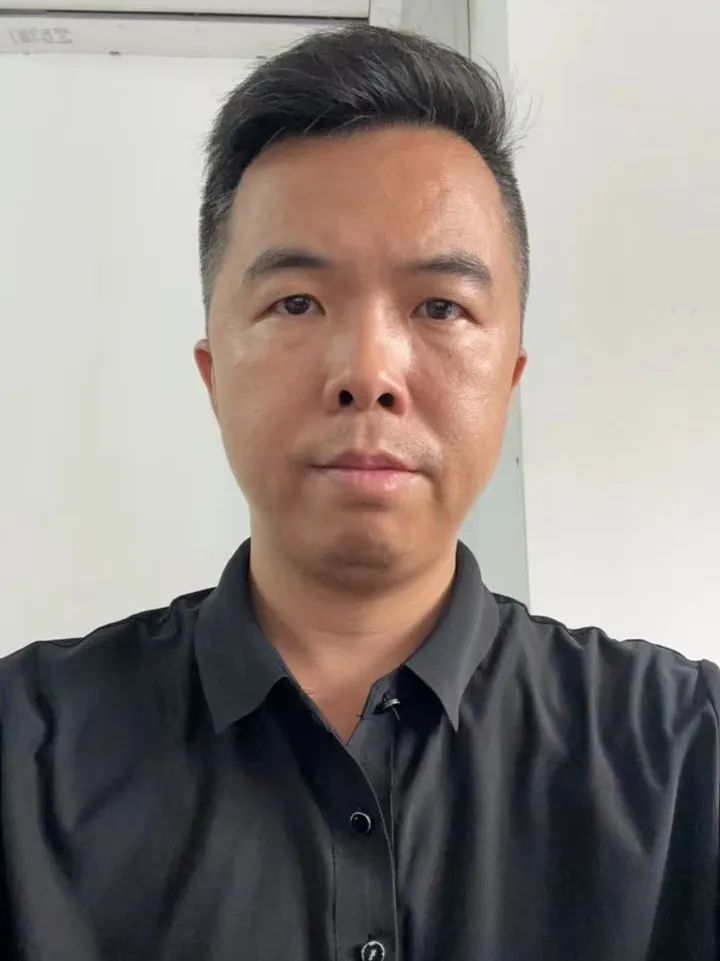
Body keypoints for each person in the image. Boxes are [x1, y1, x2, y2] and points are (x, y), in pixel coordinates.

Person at [1, 22, 718, 961]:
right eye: (297, 302)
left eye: (440, 306)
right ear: (214, 375)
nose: (368, 373)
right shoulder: (22, 756)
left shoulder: (687, 757)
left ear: (509, 380)